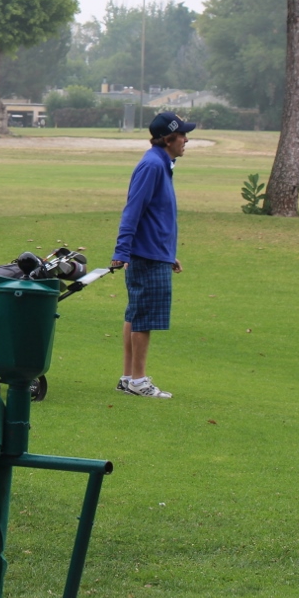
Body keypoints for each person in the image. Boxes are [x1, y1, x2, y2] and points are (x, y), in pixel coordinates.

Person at [109, 112, 197, 399]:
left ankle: (127, 378)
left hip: (155, 253)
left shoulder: (162, 164)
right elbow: (132, 210)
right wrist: (122, 250)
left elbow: (156, 217)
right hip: (145, 256)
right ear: (168, 138)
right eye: (182, 135)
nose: (186, 139)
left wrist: (168, 254)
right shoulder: (152, 166)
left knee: (136, 314)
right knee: (144, 317)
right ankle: (138, 380)